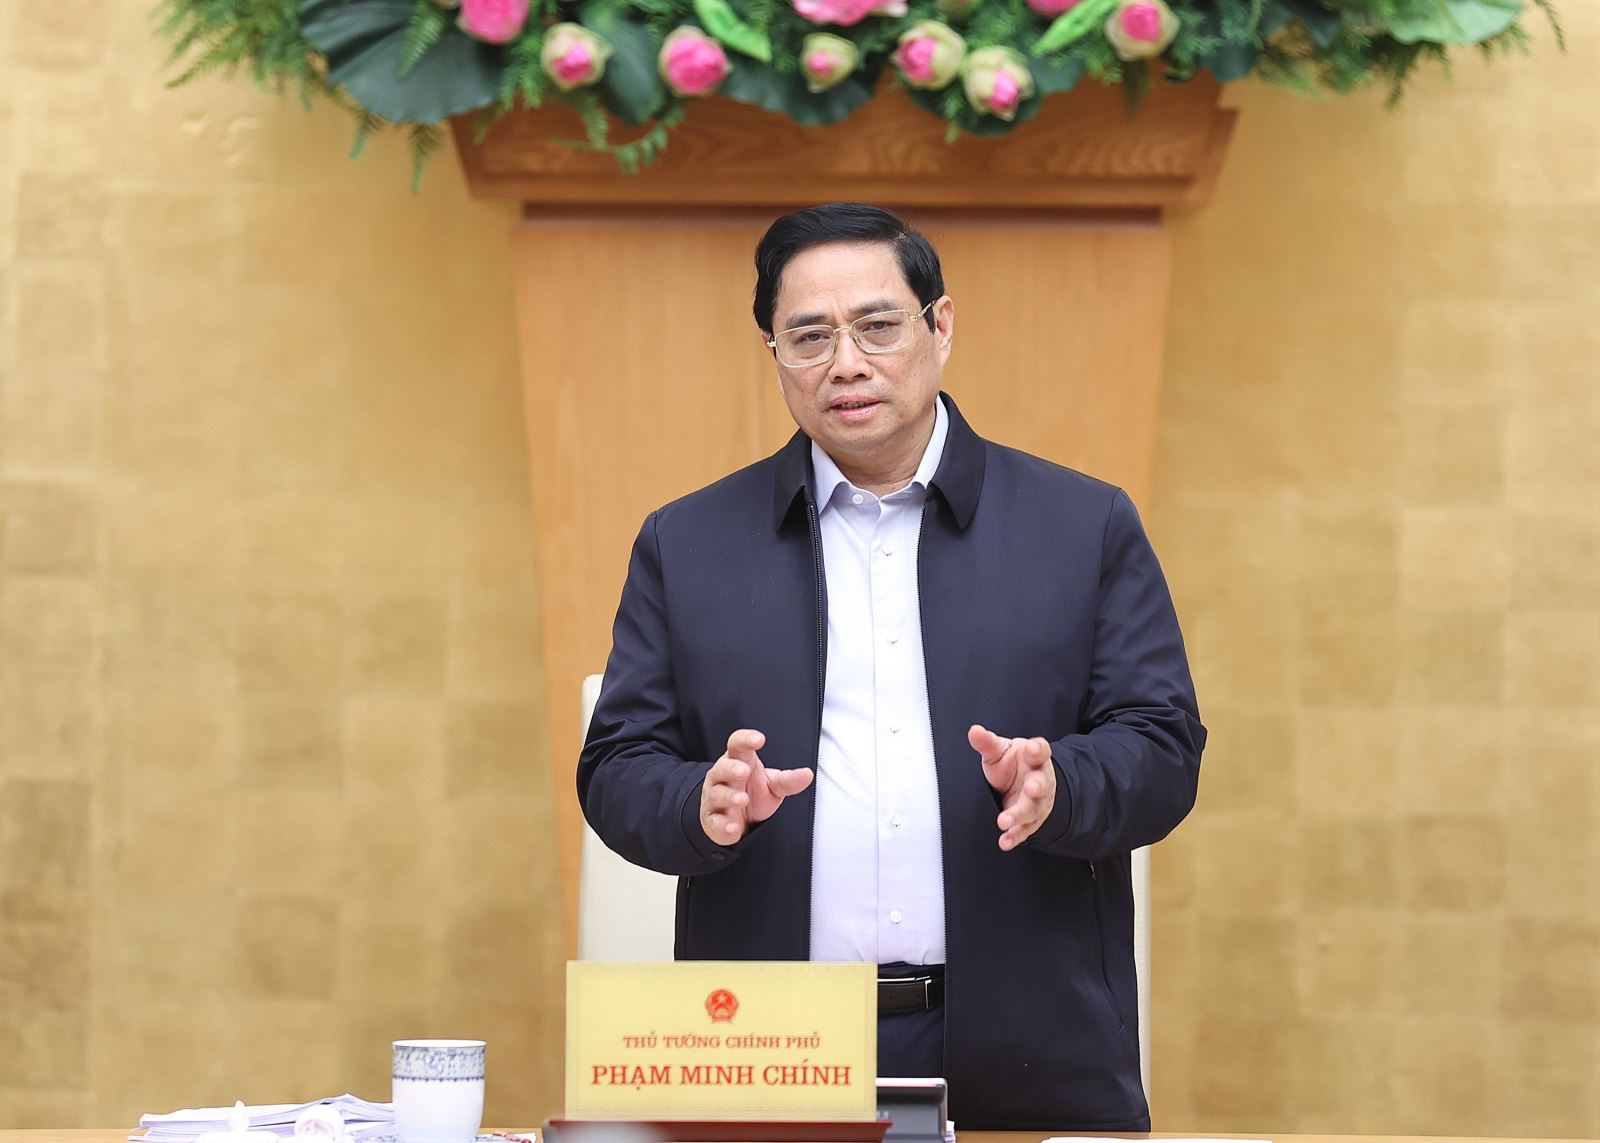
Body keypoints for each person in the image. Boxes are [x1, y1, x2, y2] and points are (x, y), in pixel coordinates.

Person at [578, 202, 1205, 1131]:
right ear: (773, 354)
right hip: (767, 1051)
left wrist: (1061, 782)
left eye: (877, 326)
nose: (846, 363)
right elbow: (616, 765)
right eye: (809, 337)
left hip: (1030, 1045)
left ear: (939, 326)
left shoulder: (1082, 526)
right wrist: (696, 802)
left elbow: (1163, 746)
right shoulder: (689, 543)